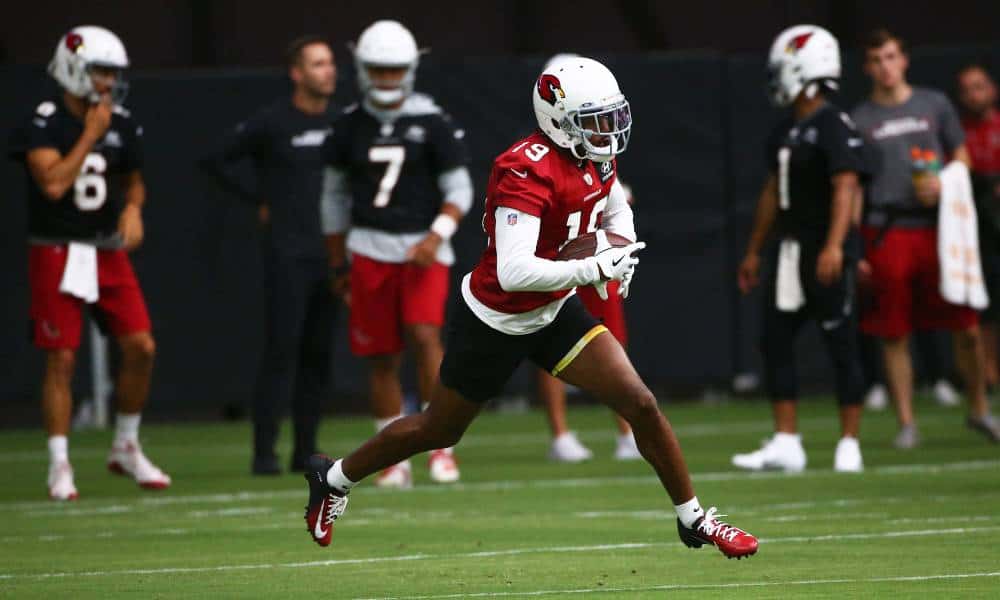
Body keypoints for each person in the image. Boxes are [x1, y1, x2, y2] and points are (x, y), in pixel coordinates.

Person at [304, 56, 759, 559]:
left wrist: (621, 248)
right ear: (558, 120)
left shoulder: (594, 154)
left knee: (641, 403)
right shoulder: (524, 168)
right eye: (595, 120)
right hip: (495, 319)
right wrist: (595, 268)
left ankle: (693, 519)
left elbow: (614, 206)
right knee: (439, 430)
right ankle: (334, 477)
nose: (608, 132)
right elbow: (515, 272)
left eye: (611, 118)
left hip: (555, 310)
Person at [8, 26, 170, 500]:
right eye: (101, 70)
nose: (108, 81)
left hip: (105, 249)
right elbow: (54, 184)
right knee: (61, 357)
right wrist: (89, 135)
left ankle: (125, 444)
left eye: (113, 73)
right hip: (57, 246)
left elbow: (135, 181)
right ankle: (59, 464)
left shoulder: (121, 122)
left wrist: (134, 208)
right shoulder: (44, 121)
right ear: (73, 68)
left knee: (141, 347)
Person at [320, 20, 472, 487]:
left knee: (426, 338)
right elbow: (333, 198)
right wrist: (337, 261)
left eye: (395, 70)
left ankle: (439, 448)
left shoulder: (432, 120)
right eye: (379, 70)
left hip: (422, 249)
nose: (387, 80)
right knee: (381, 355)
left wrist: (435, 235)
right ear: (364, 70)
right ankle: (393, 455)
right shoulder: (348, 125)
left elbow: (460, 189)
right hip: (369, 247)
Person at [852, 29, 1000, 447]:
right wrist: (855, 244)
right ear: (867, 68)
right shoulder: (861, 119)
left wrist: (945, 181)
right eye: (877, 59)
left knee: (967, 327)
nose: (885, 66)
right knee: (895, 331)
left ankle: (979, 408)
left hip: (940, 229)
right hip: (889, 229)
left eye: (891, 56)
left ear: (904, 60)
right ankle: (906, 422)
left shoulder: (934, 105)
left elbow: (963, 158)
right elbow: (856, 187)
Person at [201, 36, 340, 475]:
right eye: (318, 64)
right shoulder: (272, 122)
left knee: (319, 355)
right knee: (282, 351)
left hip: (330, 255)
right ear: (296, 73)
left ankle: (306, 449)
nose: (329, 70)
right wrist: (259, 198)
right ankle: (264, 452)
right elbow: (215, 158)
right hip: (288, 253)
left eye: (331, 62)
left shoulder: (342, 125)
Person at [734, 25, 869, 473]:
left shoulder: (834, 125)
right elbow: (773, 191)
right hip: (788, 251)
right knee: (774, 340)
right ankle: (787, 440)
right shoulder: (785, 130)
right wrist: (754, 250)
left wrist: (835, 245)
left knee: (840, 341)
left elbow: (846, 186)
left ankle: (849, 443)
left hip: (823, 249)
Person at [957, 64, 1000, 395]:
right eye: (968, 89)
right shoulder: (958, 133)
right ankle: (987, 374)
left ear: (992, 90)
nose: (975, 94)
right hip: (975, 229)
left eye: (980, 86)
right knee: (982, 305)